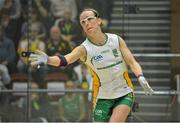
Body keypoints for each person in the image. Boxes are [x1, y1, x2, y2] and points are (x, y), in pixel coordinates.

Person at [29, 8, 154, 122]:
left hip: (124, 92)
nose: (87, 23)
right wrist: (48, 59)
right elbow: (65, 60)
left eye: (90, 19)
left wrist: (140, 77)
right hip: (102, 97)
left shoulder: (116, 40)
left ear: (99, 21)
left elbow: (132, 62)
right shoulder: (84, 49)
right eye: (83, 22)